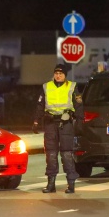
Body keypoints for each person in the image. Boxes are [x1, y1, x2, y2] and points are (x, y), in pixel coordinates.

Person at [32, 64, 83, 193]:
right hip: (50, 123)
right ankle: (51, 184)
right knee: (51, 154)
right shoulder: (46, 86)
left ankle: (71, 184)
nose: (58, 75)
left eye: (61, 73)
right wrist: (36, 121)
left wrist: (80, 121)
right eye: (56, 73)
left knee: (66, 153)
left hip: (66, 124)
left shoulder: (72, 86)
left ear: (65, 75)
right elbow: (40, 105)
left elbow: (79, 106)